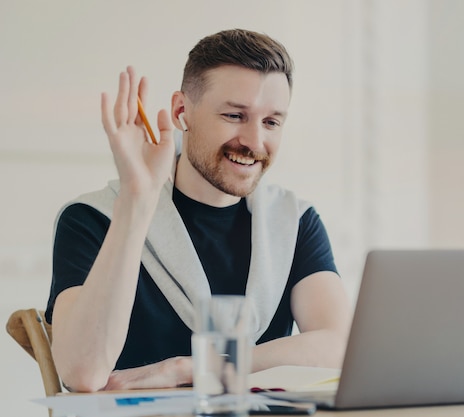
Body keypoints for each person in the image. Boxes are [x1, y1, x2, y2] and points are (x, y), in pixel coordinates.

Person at [45, 29, 352, 392]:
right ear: (181, 111)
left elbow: (340, 346)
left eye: (271, 122)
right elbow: (82, 373)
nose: (254, 141)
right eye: (235, 115)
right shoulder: (92, 219)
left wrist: (190, 369)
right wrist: (136, 200)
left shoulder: (294, 222)